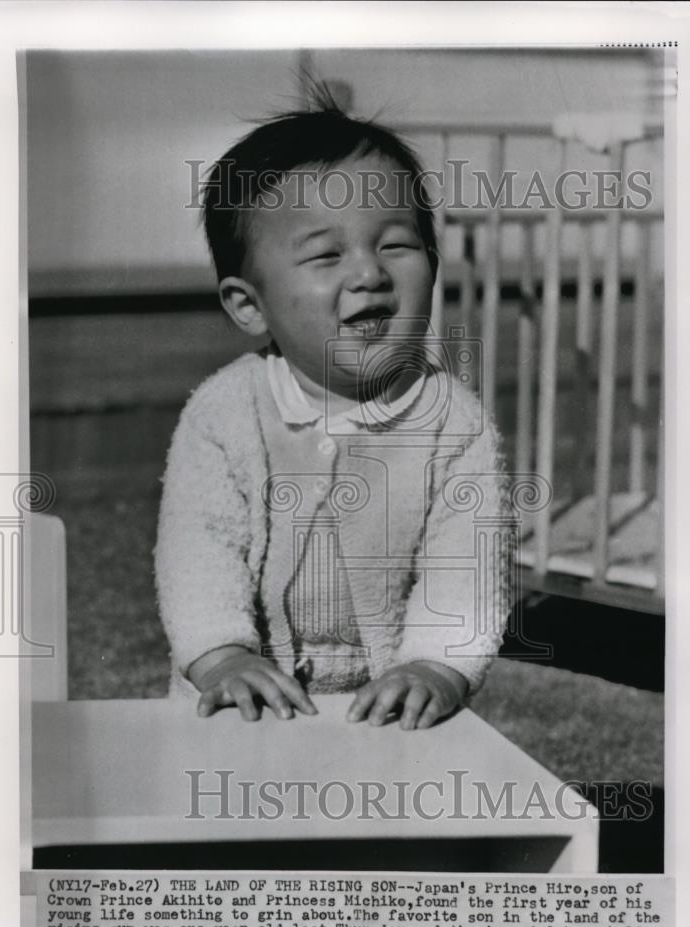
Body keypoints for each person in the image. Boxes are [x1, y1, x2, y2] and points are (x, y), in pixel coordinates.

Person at [155, 96, 513, 730]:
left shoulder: (455, 427)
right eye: (326, 255)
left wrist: (436, 665)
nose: (370, 273)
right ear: (249, 305)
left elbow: (469, 569)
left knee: (383, 824)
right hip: (243, 701)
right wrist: (221, 656)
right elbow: (197, 553)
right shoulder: (223, 416)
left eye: (397, 245)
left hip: (388, 708)